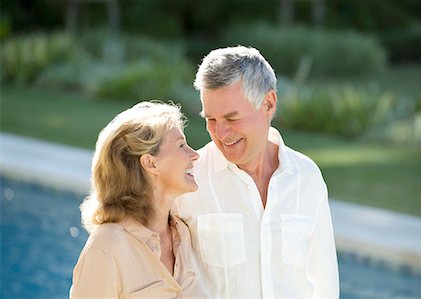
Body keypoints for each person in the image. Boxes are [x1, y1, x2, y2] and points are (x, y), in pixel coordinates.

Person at [173, 46, 339, 298]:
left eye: (231, 118)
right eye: (211, 119)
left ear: (269, 104)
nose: (221, 133)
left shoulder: (307, 177)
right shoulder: (188, 180)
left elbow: (325, 282)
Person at [70, 101, 204, 298]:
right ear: (150, 163)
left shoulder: (184, 234)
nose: (194, 155)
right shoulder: (106, 248)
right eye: (181, 145)